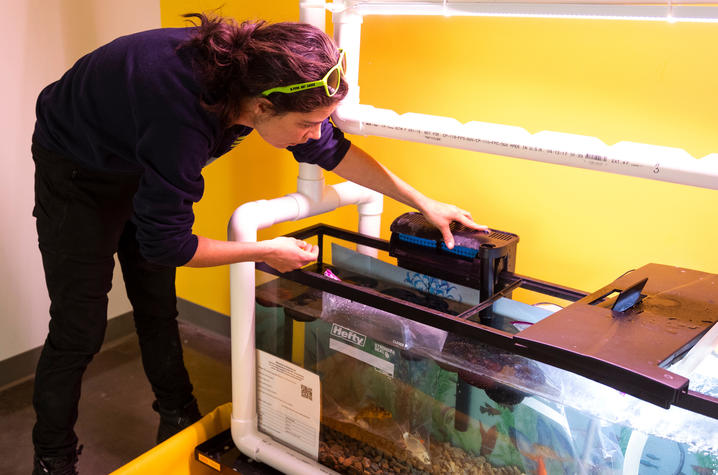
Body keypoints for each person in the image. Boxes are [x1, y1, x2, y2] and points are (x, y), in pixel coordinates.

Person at [30, 12, 486, 474]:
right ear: (263, 107)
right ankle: (52, 457)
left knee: (156, 304)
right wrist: (266, 251)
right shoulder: (183, 119)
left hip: (136, 150)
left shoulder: (256, 78)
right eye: (308, 123)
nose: (315, 133)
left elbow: (331, 148)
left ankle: (177, 414)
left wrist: (423, 201)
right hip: (76, 170)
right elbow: (168, 246)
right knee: (78, 328)